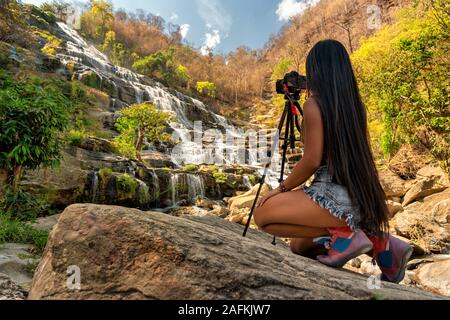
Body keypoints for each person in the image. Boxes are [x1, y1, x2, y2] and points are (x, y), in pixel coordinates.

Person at [253, 39, 413, 284]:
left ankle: (346, 234)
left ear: (316, 70)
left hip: (332, 197)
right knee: (300, 247)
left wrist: (280, 189)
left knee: (263, 215)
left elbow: (311, 160)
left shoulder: (314, 104)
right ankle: (382, 244)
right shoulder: (355, 107)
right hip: (359, 199)